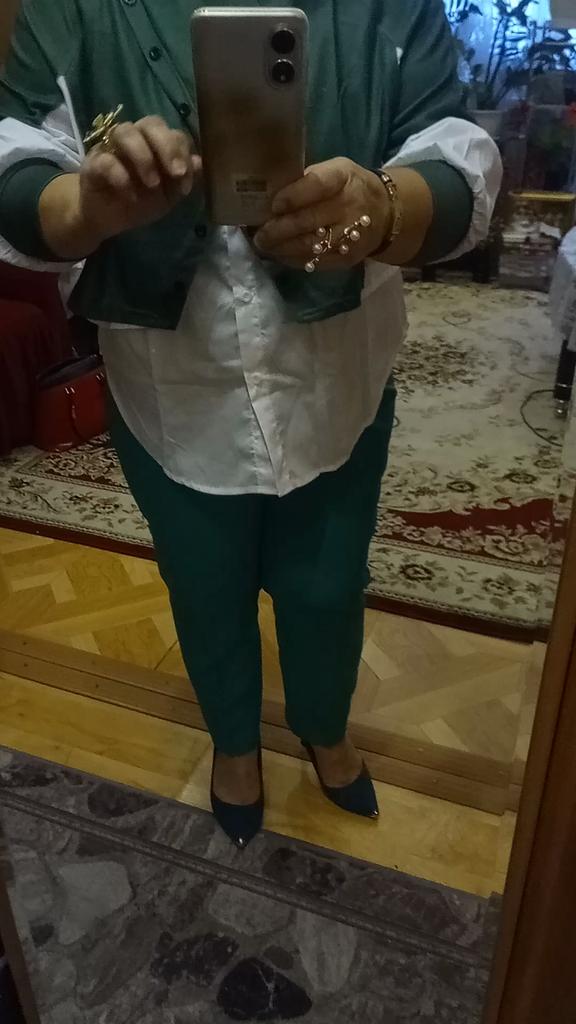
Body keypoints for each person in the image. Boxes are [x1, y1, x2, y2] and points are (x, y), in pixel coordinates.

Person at [0, 0, 501, 847]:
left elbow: (455, 150)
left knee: (327, 586)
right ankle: (234, 743)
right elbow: (15, 155)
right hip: (172, 390)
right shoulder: (76, 7)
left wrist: (382, 208)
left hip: (338, 380)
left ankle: (324, 727)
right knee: (203, 586)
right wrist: (86, 207)